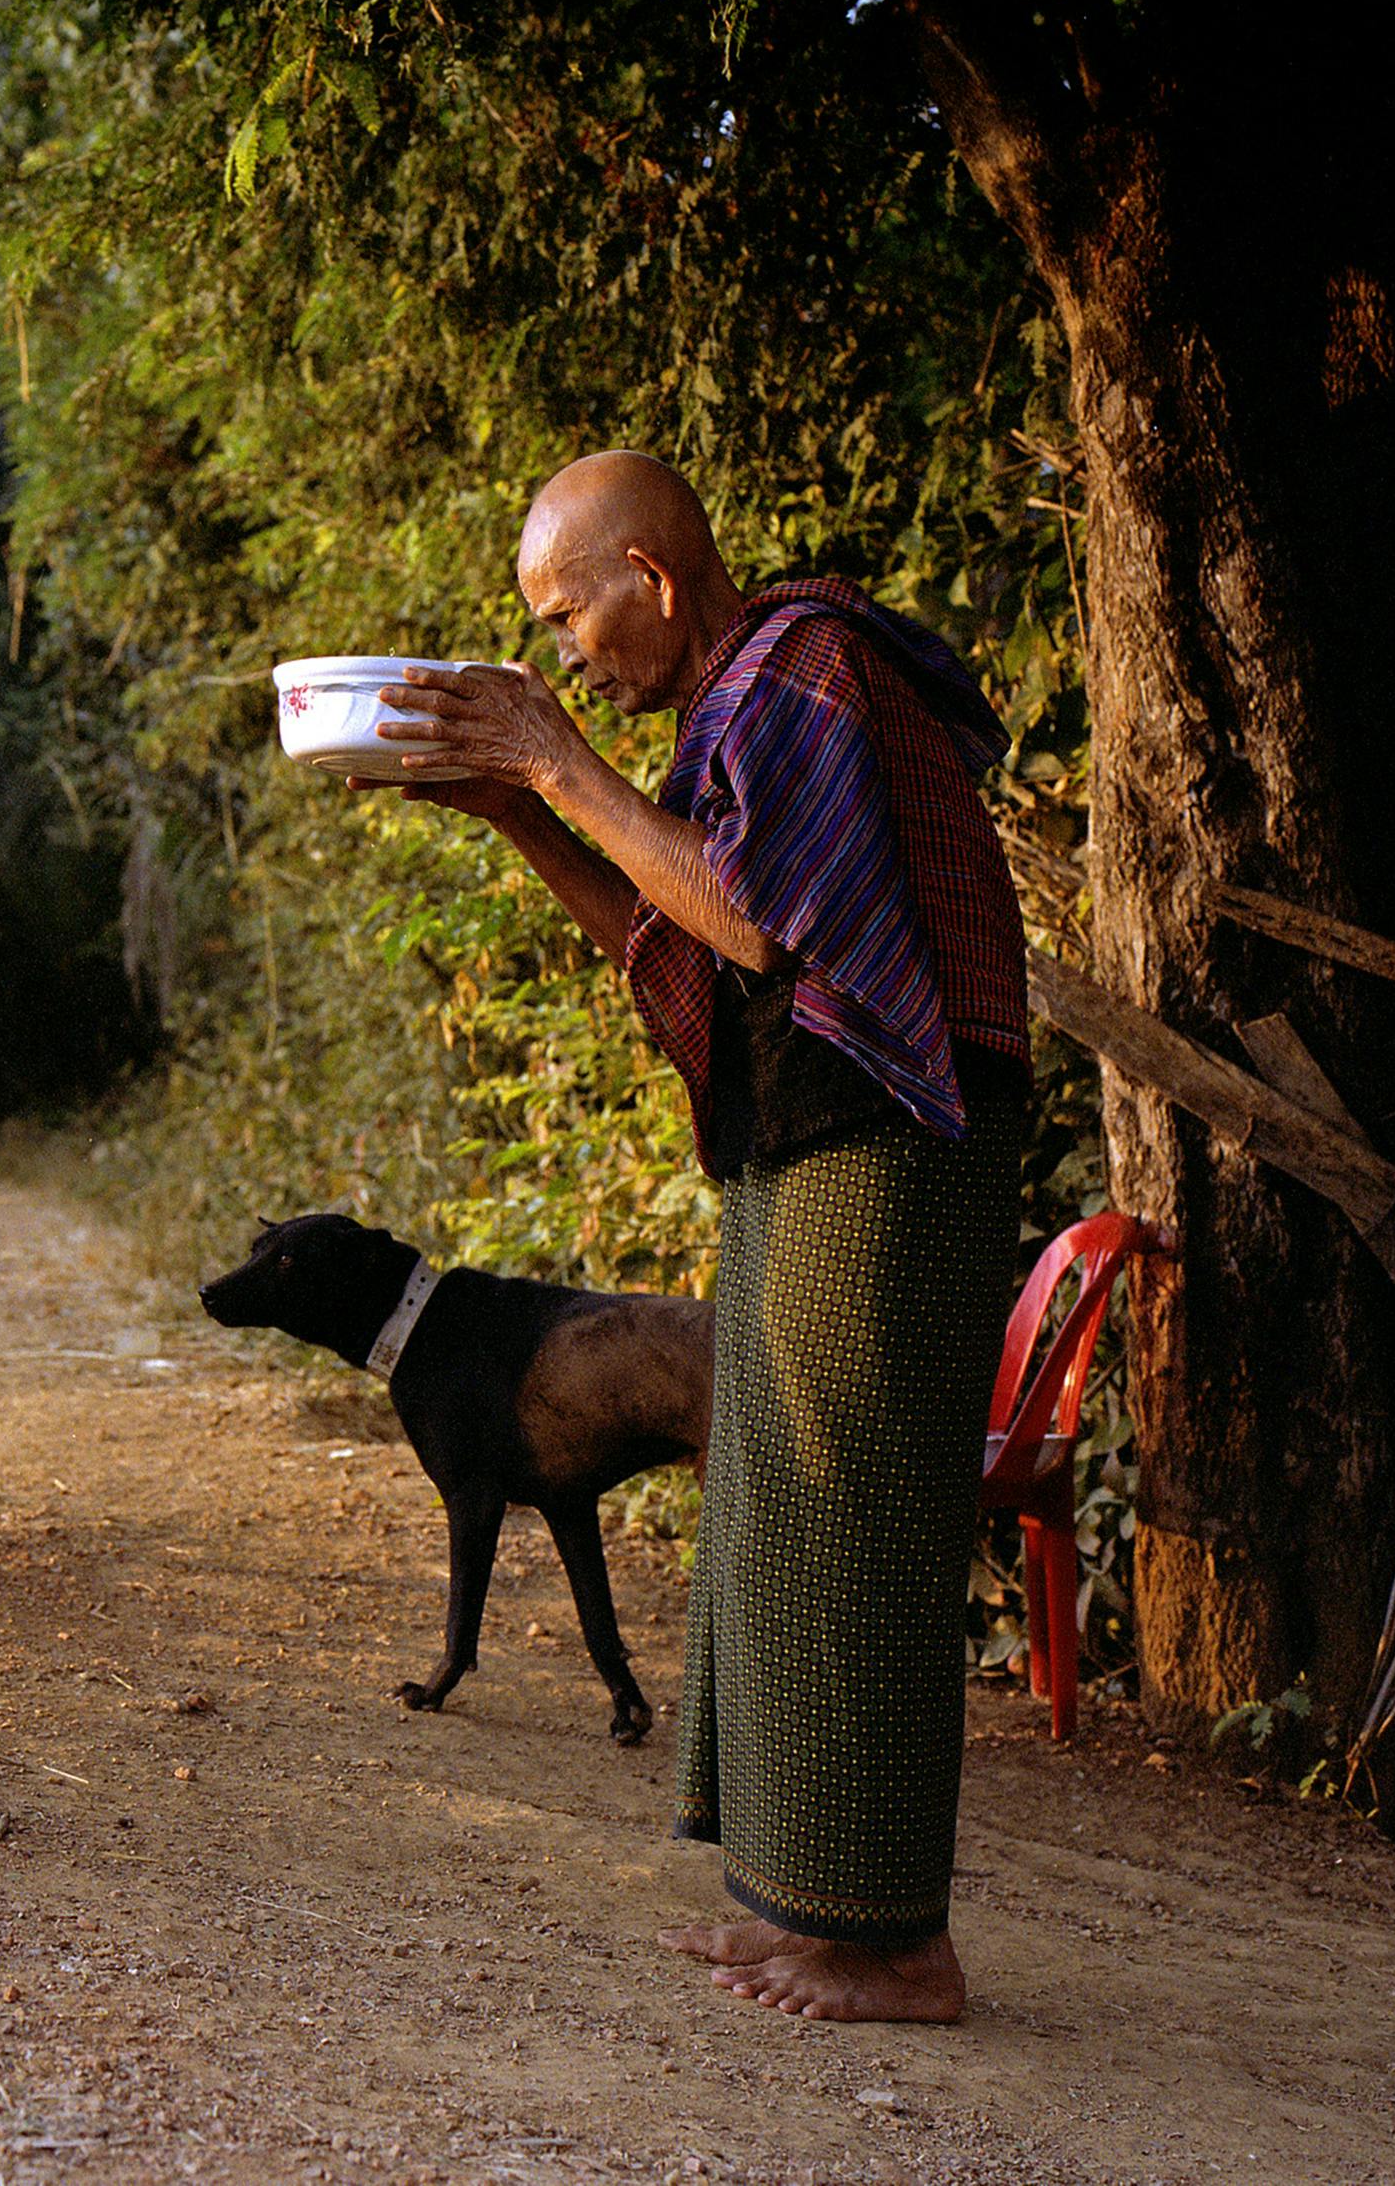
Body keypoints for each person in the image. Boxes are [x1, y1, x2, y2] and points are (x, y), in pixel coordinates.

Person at [368, 450, 1029, 2023]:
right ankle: (812, 1910)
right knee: (779, 1509)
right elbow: (672, 940)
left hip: (897, 1142)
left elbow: (754, 920)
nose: (564, 651)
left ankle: (898, 1946)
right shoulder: (725, 709)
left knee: (853, 1509)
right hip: (804, 1140)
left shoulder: (804, 664)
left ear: (654, 581)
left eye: (567, 613)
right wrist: (516, 813)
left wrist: (557, 761)